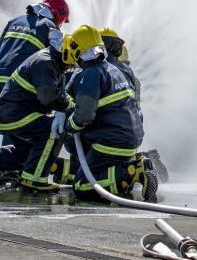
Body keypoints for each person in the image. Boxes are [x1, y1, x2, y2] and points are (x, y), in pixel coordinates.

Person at [62, 25, 157, 203]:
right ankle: (129, 171)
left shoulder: (91, 73)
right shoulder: (115, 70)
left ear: (77, 49)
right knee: (97, 172)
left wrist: (67, 124)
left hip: (110, 142)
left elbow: (84, 116)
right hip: (128, 139)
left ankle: (132, 173)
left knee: (82, 186)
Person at [0, 28, 74, 192]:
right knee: (53, 130)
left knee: (29, 154)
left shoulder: (52, 61)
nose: (73, 63)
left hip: (14, 111)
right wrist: (67, 106)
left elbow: (58, 94)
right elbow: (48, 96)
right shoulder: (46, 62)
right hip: (17, 113)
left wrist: (66, 104)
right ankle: (34, 179)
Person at [0, 0, 70, 98]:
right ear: (56, 13)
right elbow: (59, 62)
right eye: (62, 20)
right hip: (21, 81)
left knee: (8, 112)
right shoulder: (49, 27)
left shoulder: (13, 21)